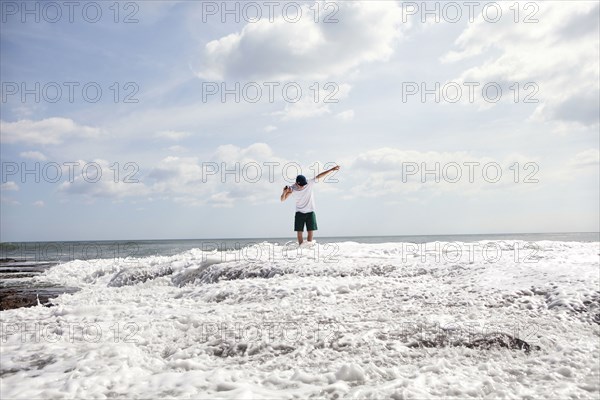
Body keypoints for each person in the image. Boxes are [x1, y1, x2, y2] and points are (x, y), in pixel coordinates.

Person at [280, 165, 340, 244]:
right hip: (299, 212)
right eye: (301, 185)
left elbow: (320, 176)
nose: (303, 186)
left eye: (304, 184)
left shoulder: (309, 183)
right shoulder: (292, 189)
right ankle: (300, 247)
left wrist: (331, 169)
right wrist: (284, 192)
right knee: (299, 232)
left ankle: (309, 248)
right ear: (297, 183)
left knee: (310, 231)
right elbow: (282, 200)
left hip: (310, 211)